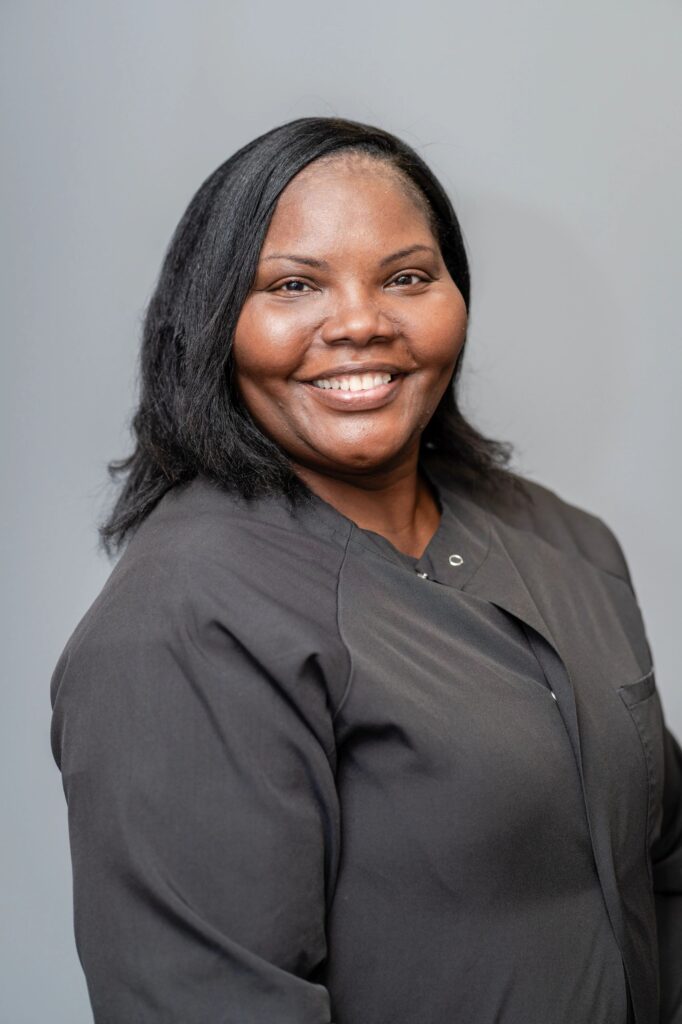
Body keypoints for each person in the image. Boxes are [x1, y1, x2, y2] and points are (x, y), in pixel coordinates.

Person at [49, 116, 681, 1024]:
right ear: (215, 320)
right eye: (294, 285)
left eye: (407, 278)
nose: (360, 324)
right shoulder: (182, 619)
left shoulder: (568, 543)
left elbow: (663, 861)